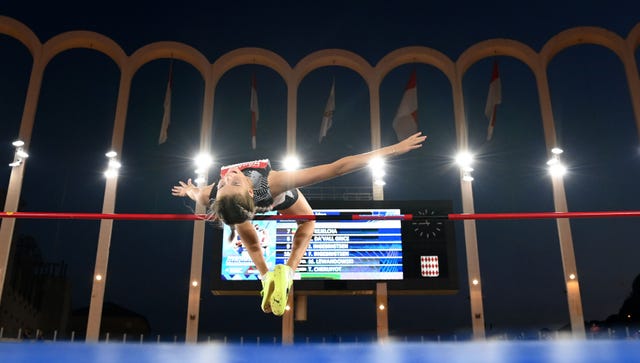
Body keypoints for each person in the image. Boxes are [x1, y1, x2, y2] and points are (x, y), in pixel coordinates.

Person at [171, 132, 426, 316]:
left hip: (252, 205)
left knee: (249, 238)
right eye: (230, 183)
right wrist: (393, 149)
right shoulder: (272, 182)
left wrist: (190, 190)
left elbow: (197, 195)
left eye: (228, 182)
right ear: (249, 192)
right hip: (272, 199)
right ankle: (287, 272)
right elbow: (337, 168)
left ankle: (266, 276)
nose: (228, 177)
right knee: (307, 223)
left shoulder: (210, 194)